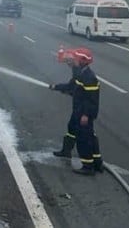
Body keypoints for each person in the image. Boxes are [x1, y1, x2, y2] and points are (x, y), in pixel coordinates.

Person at [49, 47, 102, 175]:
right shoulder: (80, 73)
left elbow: (92, 100)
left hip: (84, 113)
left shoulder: (89, 77)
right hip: (78, 110)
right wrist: (56, 87)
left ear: (83, 61)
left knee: (84, 138)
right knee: (72, 128)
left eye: (75, 59)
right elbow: (71, 86)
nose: (73, 60)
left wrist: (86, 115)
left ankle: (88, 166)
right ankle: (66, 151)